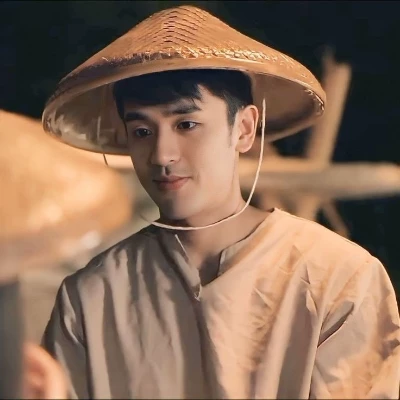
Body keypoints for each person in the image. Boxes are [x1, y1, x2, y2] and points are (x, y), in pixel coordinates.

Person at [41, 5, 400, 399]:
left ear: (243, 129)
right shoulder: (92, 295)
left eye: (186, 124)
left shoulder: (339, 277)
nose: (162, 155)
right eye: (142, 131)